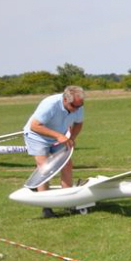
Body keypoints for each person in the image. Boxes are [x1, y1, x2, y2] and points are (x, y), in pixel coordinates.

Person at [23, 85, 85, 218]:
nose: (77, 110)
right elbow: (35, 126)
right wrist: (58, 136)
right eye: (74, 106)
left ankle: (67, 202)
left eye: (80, 106)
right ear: (65, 100)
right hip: (37, 136)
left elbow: (79, 123)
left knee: (67, 165)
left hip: (60, 137)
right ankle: (46, 208)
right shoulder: (50, 104)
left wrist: (72, 138)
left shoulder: (78, 105)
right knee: (44, 168)